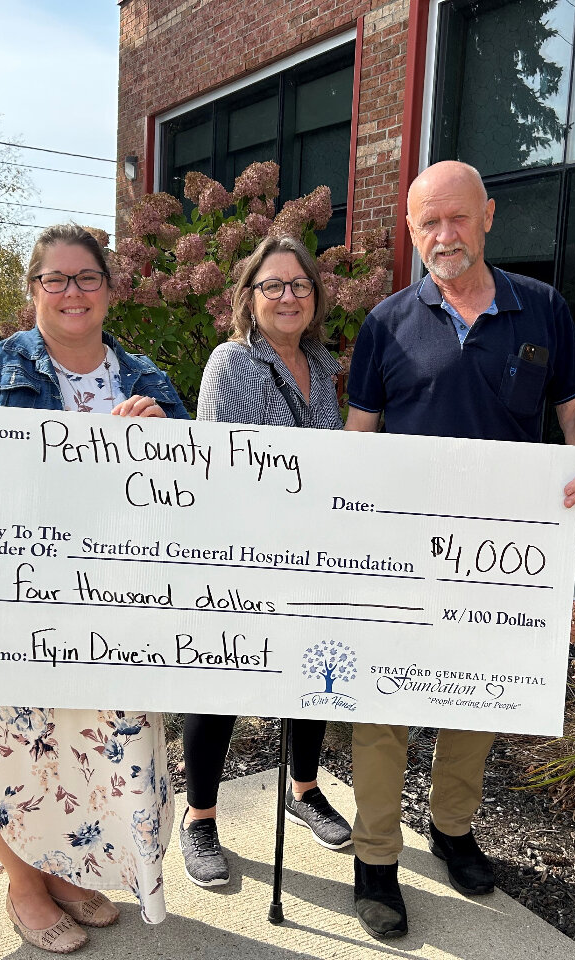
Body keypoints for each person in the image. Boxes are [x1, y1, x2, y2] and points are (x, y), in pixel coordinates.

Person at [0, 224, 188, 954]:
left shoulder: (147, 380)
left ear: (110, 289)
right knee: (11, 748)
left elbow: (195, 492)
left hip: (117, 610)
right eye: (53, 280)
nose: (71, 293)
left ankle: (64, 869)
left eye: (86, 277)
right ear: (33, 292)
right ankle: (23, 882)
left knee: (91, 749)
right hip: (8, 601)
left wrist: (168, 438)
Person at [343, 161, 575, 939]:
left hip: (501, 560)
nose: (443, 235)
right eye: (428, 222)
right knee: (384, 705)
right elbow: (360, 437)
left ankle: (453, 828)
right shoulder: (386, 323)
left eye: (457, 218)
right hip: (400, 552)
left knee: (475, 695)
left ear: (488, 216)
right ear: (410, 227)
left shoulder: (543, 310)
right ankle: (376, 858)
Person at [177, 235, 353, 888]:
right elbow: (220, 466)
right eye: (272, 285)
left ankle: (302, 790)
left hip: (314, 552)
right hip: (241, 553)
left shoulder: (323, 366)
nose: (287, 296)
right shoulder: (233, 363)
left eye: (299, 286)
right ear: (249, 297)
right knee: (220, 682)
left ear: (315, 299)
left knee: (314, 670)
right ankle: (199, 817)